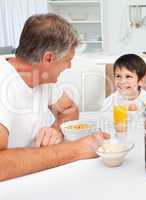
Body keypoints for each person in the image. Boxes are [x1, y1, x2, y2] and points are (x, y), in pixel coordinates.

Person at [0, 14, 109, 181]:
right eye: (67, 60)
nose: (70, 65)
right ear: (48, 58)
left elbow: (69, 109)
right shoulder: (4, 85)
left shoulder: (41, 77)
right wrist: (77, 150)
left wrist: (56, 129)